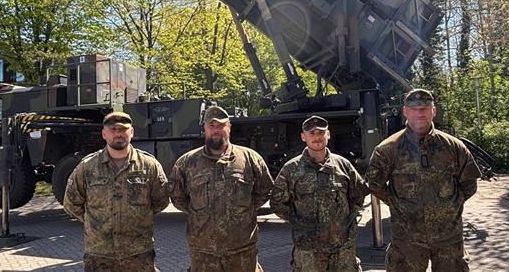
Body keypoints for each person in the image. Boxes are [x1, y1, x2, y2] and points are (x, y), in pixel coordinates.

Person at [365, 89, 481, 272]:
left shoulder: (453, 147)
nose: (419, 113)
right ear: (405, 111)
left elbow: (469, 184)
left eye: (425, 108)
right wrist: (399, 205)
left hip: (448, 238)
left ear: (433, 111)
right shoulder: (388, 149)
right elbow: (374, 184)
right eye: (414, 109)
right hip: (407, 240)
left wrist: (447, 208)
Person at [169, 105, 274, 272]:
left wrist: (242, 211)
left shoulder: (250, 159)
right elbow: (178, 197)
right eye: (211, 126)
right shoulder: (187, 162)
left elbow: (265, 190)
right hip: (203, 252)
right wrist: (201, 213)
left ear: (229, 128)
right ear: (204, 128)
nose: (216, 130)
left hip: (242, 250)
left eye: (221, 126)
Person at [63, 111, 169, 272]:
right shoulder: (87, 167)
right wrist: (97, 222)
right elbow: (71, 203)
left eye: (123, 129)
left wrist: (135, 217)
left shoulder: (149, 166)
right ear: (104, 134)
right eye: (113, 130)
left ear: (131, 132)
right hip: (99, 255)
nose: (118, 134)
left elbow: (160, 201)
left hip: (138, 253)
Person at [270, 115, 367, 271]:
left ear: (328, 135)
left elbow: (358, 196)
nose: (317, 137)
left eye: (321, 133)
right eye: (312, 133)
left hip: (342, 249)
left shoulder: (343, 165)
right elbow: (277, 203)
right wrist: (300, 223)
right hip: (309, 250)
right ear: (303, 137)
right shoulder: (291, 169)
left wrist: (343, 223)